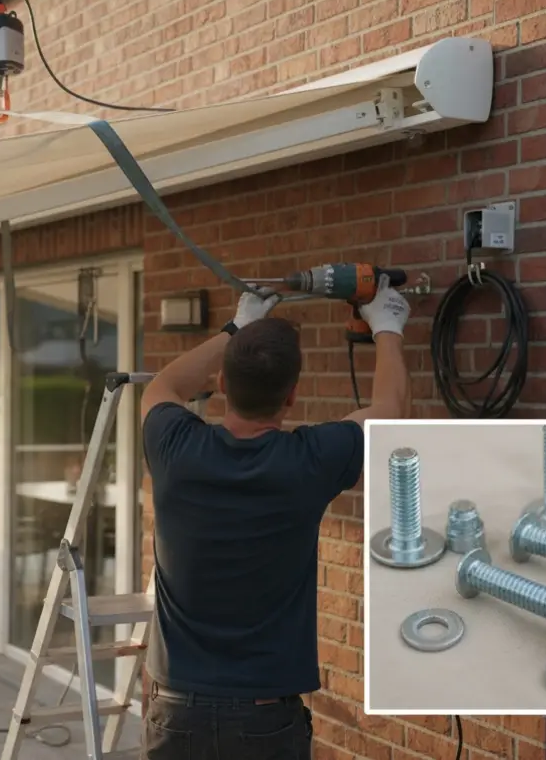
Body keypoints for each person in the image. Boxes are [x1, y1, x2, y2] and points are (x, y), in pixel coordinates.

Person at [137, 275, 413, 760]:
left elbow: (165, 385)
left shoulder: (174, 445)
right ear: (291, 398)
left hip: (176, 712)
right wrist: (387, 324)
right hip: (263, 718)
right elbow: (389, 412)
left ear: (221, 384)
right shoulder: (308, 461)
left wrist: (235, 327)